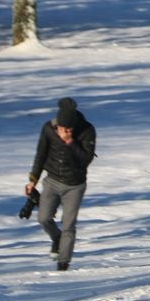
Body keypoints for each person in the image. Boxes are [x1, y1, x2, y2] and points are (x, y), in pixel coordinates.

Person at [25, 97, 96, 272]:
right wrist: (32, 180)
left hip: (75, 185)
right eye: (61, 128)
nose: (63, 131)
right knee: (43, 218)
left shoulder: (87, 130)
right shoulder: (48, 128)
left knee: (68, 225)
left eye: (68, 128)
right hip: (52, 180)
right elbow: (40, 154)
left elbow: (85, 160)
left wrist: (70, 142)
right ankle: (57, 239)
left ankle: (63, 264)